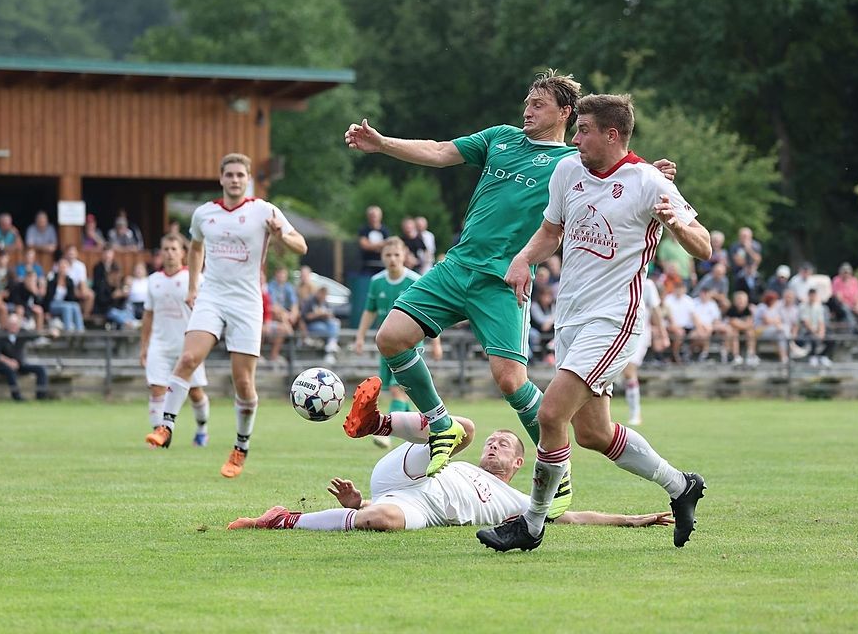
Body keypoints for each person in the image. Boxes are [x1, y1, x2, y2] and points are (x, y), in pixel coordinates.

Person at [344, 71, 677, 494]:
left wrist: (651, 171)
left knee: (511, 381)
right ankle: (441, 425)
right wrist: (383, 144)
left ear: (565, 113)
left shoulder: (572, 162)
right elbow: (440, 150)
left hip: (504, 280)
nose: (527, 110)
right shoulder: (500, 138)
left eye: (538, 104)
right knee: (391, 337)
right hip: (457, 265)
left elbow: (618, 168)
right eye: (527, 102)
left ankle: (557, 475)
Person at [476, 93, 709, 553]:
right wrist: (523, 259)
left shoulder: (647, 181)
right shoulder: (568, 171)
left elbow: (703, 245)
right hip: (571, 319)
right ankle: (681, 485)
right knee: (593, 434)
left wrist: (678, 227)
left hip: (614, 319)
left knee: (550, 414)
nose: (575, 139)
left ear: (612, 134)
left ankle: (532, 524)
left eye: (583, 130)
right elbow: (551, 231)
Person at [229, 383, 673, 533]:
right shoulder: (459, 463)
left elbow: (573, 517)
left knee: (379, 521)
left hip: (417, 507)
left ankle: (281, 519)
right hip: (415, 470)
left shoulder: (519, 502)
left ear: (519, 464)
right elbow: (465, 439)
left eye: (505, 445)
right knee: (463, 429)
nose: (494, 446)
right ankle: (378, 423)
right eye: (494, 443)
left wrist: (632, 520)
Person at [145, 153, 307, 478]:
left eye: (240, 175)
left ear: (248, 179)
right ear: (221, 178)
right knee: (188, 358)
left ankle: (240, 447)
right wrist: (194, 286)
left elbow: (300, 246)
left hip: (247, 302)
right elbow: (195, 247)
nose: (234, 180)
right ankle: (166, 426)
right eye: (229, 174)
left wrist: (281, 235)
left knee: (243, 382)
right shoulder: (204, 213)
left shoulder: (264, 210)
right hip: (212, 297)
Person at [353, 238, 441, 442]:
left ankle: (386, 434)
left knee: (397, 388)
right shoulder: (376, 282)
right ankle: (421, 430)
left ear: (404, 256)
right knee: (398, 391)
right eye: (388, 255)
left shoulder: (414, 280)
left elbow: (430, 313)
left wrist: (436, 343)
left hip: (410, 345)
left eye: (396, 255)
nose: (392, 259)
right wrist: (360, 337)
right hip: (386, 346)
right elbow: (369, 310)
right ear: (382, 257)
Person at [140, 234, 210, 445]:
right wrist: (144, 346)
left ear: (183, 253)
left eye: (173, 249)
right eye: (166, 249)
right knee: (157, 389)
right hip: (159, 345)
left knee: (195, 393)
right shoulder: (153, 281)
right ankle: (159, 437)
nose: (169, 253)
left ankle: (202, 430)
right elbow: (148, 315)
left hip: (188, 347)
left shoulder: (196, 279)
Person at [622, 277, 665, 425]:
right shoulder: (621, 277)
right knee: (620, 373)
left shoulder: (648, 285)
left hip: (639, 333)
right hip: (619, 331)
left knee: (629, 371)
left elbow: (656, 310)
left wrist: (662, 334)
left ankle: (635, 413)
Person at [0, 313, 48, 400]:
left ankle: (41, 397)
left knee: (40, 369)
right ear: (7, 324)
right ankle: (17, 397)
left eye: (15, 324)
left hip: (20, 364)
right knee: (10, 371)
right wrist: (9, 362)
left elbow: (36, 335)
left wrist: (50, 332)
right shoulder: (0, 335)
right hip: (3, 365)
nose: (13, 327)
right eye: (11, 324)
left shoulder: (22, 333)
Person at [301, 285, 341, 361]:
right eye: (322, 295)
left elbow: (331, 314)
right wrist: (318, 314)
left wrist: (327, 314)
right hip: (311, 325)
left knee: (335, 322)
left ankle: (331, 344)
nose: (323, 297)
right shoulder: (310, 301)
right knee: (324, 328)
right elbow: (304, 317)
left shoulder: (324, 302)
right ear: (318, 293)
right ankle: (330, 347)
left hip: (324, 323)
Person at [44, 258, 84, 332]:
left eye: (64, 267)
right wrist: (46, 311)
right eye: (61, 267)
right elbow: (47, 297)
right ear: (58, 268)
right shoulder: (52, 281)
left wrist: (68, 286)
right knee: (67, 306)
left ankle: (80, 330)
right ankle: (68, 331)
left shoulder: (70, 281)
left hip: (65, 303)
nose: (62, 269)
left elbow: (71, 298)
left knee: (76, 306)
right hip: (53, 304)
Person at [798, 288, 832, 366]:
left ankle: (823, 356)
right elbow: (806, 322)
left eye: (814, 295)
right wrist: (815, 333)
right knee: (813, 338)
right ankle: (813, 357)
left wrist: (821, 333)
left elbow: (821, 322)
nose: (812, 297)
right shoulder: (803, 306)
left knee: (831, 338)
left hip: (817, 330)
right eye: (811, 295)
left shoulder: (819, 306)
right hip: (806, 330)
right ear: (808, 296)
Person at [724, 290, 758, 366]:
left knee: (751, 332)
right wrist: (745, 325)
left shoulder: (748, 309)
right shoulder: (731, 309)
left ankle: (751, 354)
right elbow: (733, 323)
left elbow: (750, 322)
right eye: (739, 300)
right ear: (735, 301)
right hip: (732, 330)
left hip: (744, 329)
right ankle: (736, 356)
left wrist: (744, 326)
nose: (741, 302)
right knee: (734, 332)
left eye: (743, 300)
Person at [62, 245, 95, 318]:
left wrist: (83, 292)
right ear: (65, 253)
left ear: (76, 254)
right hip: (66, 289)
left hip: (77, 288)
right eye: (69, 253)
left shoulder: (80, 265)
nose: (71, 255)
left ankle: (84, 317)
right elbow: (61, 281)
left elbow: (82, 281)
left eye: (73, 253)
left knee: (90, 295)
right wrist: (74, 291)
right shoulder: (62, 264)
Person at [358, 205, 390, 275]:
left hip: (382, 265)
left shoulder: (385, 230)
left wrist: (371, 245)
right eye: (371, 216)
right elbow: (364, 246)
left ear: (380, 216)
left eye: (375, 216)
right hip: (367, 265)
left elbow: (387, 247)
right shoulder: (364, 230)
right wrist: (381, 244)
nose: (373, 218)